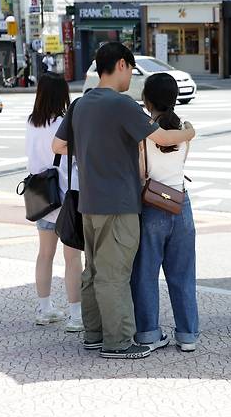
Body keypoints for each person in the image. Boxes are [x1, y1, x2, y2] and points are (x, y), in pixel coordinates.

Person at [52, 42, 195, 360]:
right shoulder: (122, 105)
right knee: (115, 275)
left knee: (93, 272)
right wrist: (189, 132)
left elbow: (58, 145)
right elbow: (162, 137)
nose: (132, 76)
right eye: (131, 69)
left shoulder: (80, 104)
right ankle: (117, 342)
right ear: (120, 64)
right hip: (119, 204)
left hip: (87, 203)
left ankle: (94, 334)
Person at [131, 73, 199, 353]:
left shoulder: (143, 130)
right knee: (183, 274)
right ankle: (187, 336)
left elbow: (139, 172)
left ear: (147, 101)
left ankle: (148, 333)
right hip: (180, 203)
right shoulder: (183, 128)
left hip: (151, 204)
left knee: (145, 273)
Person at [25, 73, 83, 332]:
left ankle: (44, 309)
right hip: (65, 198)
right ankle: (76, 315)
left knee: (44, 255)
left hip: (41, 196)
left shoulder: (31, 122)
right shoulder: (63, 123)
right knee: (72, 259)